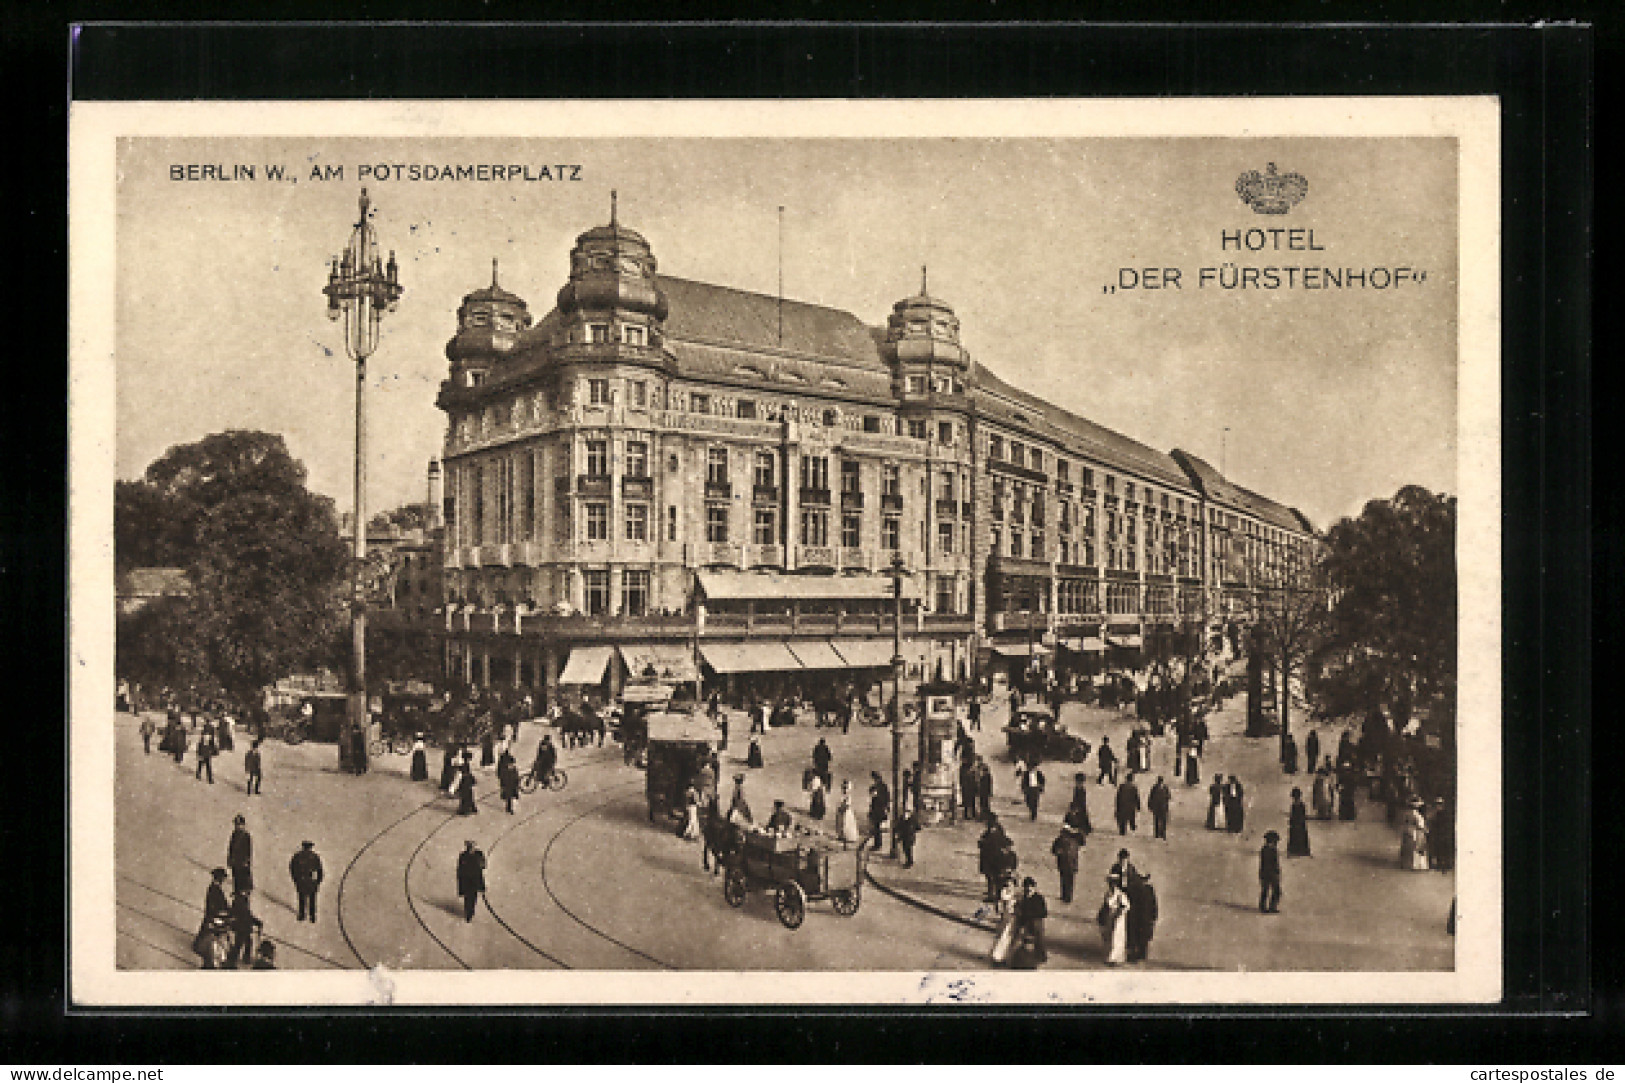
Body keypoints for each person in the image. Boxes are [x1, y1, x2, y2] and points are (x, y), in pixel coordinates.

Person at [1124, 869, 1159, 962]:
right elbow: (1153, 904)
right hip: (1138, 917)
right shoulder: (1137, 889)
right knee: (1137, 935)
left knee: (1141, 936)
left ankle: (1140, 954)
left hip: (1143, 917)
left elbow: (1153, 904)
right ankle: (1137, 954)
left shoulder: (1146, 889)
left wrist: (1153, 916)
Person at [224, 888, 264, 969]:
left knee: (246, 942)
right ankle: (233, 961)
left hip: (243, 926)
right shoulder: (240, 901)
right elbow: (246, 915)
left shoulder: (241, 900)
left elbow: (247, 914)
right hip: (242, 927)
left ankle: (242, 959)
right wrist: (255, 922)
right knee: (240, 944)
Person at [1015, 876, 1049, 966]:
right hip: (1027, 921)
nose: (1028, 888)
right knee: (1026, 940)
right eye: (1026, 887)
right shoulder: (1024, 898)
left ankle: (1041, 956)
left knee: (1039, 939)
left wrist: (1033, 915)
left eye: (1030, 886)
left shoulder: (1038, 898)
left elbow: (1044, 912)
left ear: (1034, 887)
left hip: (1036, 921)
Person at [989, 872, 1020, 966]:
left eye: (1011, 883)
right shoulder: (1004, 892)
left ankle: (1007, 957)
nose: (1009, 885)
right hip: (1007, 917)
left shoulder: (1017, 893)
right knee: (1003, 936)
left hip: (1014, 917)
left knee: (1011, 938)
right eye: (1008, 883)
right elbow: (1001, 903)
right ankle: (997, 957)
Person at [1099, 874, 1131, 965]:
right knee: (1109, 935)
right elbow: (1105, 905)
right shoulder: (1108, 894)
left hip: (1118, 918)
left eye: (1113, 883)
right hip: (1110, 916)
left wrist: (1120, 911)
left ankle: (1116, 958)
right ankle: (1109, 957)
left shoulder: (1120, 894)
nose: (1112, 885)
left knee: (1116, 937)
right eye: (1110, 883)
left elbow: (1127, 906)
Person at [978, 816, 1012, 902]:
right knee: (991, 877)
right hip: (989, 858)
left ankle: (994, 895)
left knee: (994, 878)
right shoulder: (992, 830)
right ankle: (993, 894)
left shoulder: (995, 832)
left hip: (993, 859)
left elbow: (996, 843)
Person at [455, 840, 486, 922]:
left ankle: (470, 913)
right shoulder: (463, 856)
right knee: (468, 898)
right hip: (467, 880)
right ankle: (468, 914)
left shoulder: (478, 854)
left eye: (471, 847)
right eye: (469, 847)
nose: (470, 849)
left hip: (475, 879)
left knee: (473, 897)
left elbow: (483, 865)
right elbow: (460, 870)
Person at [1051, 826, 1081, 904]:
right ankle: (1067, 896)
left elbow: (1053, 850)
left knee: (1065, 880)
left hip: (1065, 863)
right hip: (1068, 863)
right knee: (1068, 880)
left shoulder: (1062, 840)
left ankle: (1066, 896)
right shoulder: (1074, 841)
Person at [1400, 798, 1430, 870]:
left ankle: (1407, 864)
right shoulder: (1416, 814)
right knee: (1417, 848)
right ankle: (1415, 865)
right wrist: (1425, 829)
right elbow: (1419, 824)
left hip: (1410, 831)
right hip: (1415, 832)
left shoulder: (1408, 813)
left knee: (1411, 847)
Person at [865, 771, 891, 853]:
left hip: (878, 810)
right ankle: (878, 843)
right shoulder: (883, 786)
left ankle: (877, 844)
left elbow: (878, 799)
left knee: (876, 828)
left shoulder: (878, 787)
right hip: (879, 809)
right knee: (877, 827)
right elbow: (887, 797)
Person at [227, 814, 253, 893]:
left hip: (242, 864)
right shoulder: (234, 835)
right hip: (235, 863)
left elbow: (248, 851)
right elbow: (231, 848)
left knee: (243, 882)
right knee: (236, 881)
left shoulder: (246, 836)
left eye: (239, 825)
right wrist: (230, 859)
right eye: (236, 824)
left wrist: (246, 861)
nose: (237, 826)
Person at [1429, 798, 1456, 871]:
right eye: (1437, 805)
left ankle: (1447, 864)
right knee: (1439, 850)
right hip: (1438, 834)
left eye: (1439, 804)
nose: (1438, 806)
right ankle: (1440, 864)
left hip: (1444, 834)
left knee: (1444, 850)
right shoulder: (1436, 814)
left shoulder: (1445, 814)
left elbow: (1447, 825)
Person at [1286, 787, 1313, 857]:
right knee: (1301, 836)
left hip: (1296, 824)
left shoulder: (1294, 805)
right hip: (1300, 824)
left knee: (1295, 836)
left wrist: (1291, 821)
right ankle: (1302, 850)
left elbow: (1294, 815)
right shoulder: (1301, 805)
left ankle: (1295, 850)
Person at [835, 779, 860, 844]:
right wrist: (839, 808)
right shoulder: (842, 796)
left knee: (846, 823)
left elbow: (848, 804)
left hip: (846, 811)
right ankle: (841, 835)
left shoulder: (848, 796)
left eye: (845, 788)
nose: (844, 790)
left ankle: (848, 837)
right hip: (842, 810)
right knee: (840, 823)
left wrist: (843, 808)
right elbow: (840, 802)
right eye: (843, 788)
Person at [894, 802, 918, 868]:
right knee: (905, 849)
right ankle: (909, 860)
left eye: (908, 812)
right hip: (904, 836)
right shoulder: (902, 819)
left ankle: (909, 862)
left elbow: (918, 827)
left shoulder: (912, 819)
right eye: (905, 812)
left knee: (908, 849)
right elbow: (898, 826)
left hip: (910, 836)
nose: (906, 813)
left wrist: (913, 831)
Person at [1147, 775, 1172, 839]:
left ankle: (1162, 833)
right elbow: (1151, 797)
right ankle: (1157, 833)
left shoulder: (1163, 788)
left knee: (1163, 820)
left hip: (1163, 806)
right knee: (1157, 820)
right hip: (1157, 807)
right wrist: (1150, 805)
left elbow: (1169, 796)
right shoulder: (1156, 788)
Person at [497, 750, 520, 814]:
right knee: (509, 797)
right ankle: (509, 808)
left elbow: (516, 777)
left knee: (510, 797)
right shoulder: (505, 771)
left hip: (511, 785)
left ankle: (509, 807)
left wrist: (516, 783)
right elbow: (503, 778)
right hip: (508, 786)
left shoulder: (513, 770)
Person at [977, 756, 994, 821]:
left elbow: (989, 782)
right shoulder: (978, 768)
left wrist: (990, 791)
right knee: (982, 803)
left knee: (985, 804)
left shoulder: (983, 768)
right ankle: (983, 816)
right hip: (982, 790)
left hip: (985, 790)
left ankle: (985, 816)